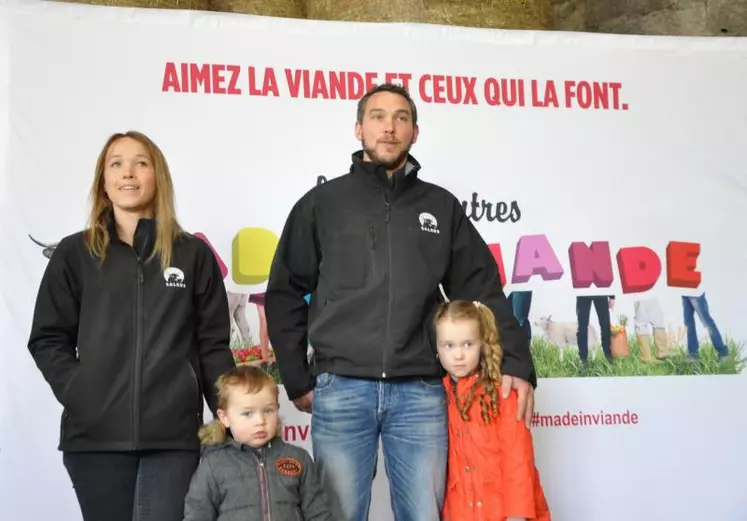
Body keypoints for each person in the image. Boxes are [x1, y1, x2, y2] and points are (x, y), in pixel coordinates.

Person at [265, 82, 536, 521]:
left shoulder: (441, 207)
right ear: (358, 129)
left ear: (415, 131)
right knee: (337, 515)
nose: (388, 128)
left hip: (421, 392)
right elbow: (284, 292)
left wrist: (517, 363)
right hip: (342, 389)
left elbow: (482, 289)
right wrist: (297, 378)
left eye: (400, 118)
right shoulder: (322, 204)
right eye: (377, 117)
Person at [27, 131, 235, 521]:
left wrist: (229, 413)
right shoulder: (75, 253)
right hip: (94, 437)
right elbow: (48, 338)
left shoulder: (193, 254)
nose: (128, 173)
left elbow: (212, 345)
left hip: (173, 437)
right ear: (103, 183)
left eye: (141, 163)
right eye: (116, 163)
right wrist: (80, 392)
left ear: (158, 177)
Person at [435, 300, 550, 521]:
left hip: (504, 512)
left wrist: (517, 515)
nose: (458, 355)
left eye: (467, 344)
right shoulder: (440, 394)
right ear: (438, 349)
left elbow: (518, 459)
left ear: (482, 344)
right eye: (448, 345)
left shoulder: (503, 393)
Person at [183, 365, 333, 520]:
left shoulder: (299, 458)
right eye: (248, 413)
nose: (260, 421)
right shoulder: (213, 465)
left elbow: (318, 513)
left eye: (268, 410)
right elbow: (197, 515)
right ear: (224, 417)